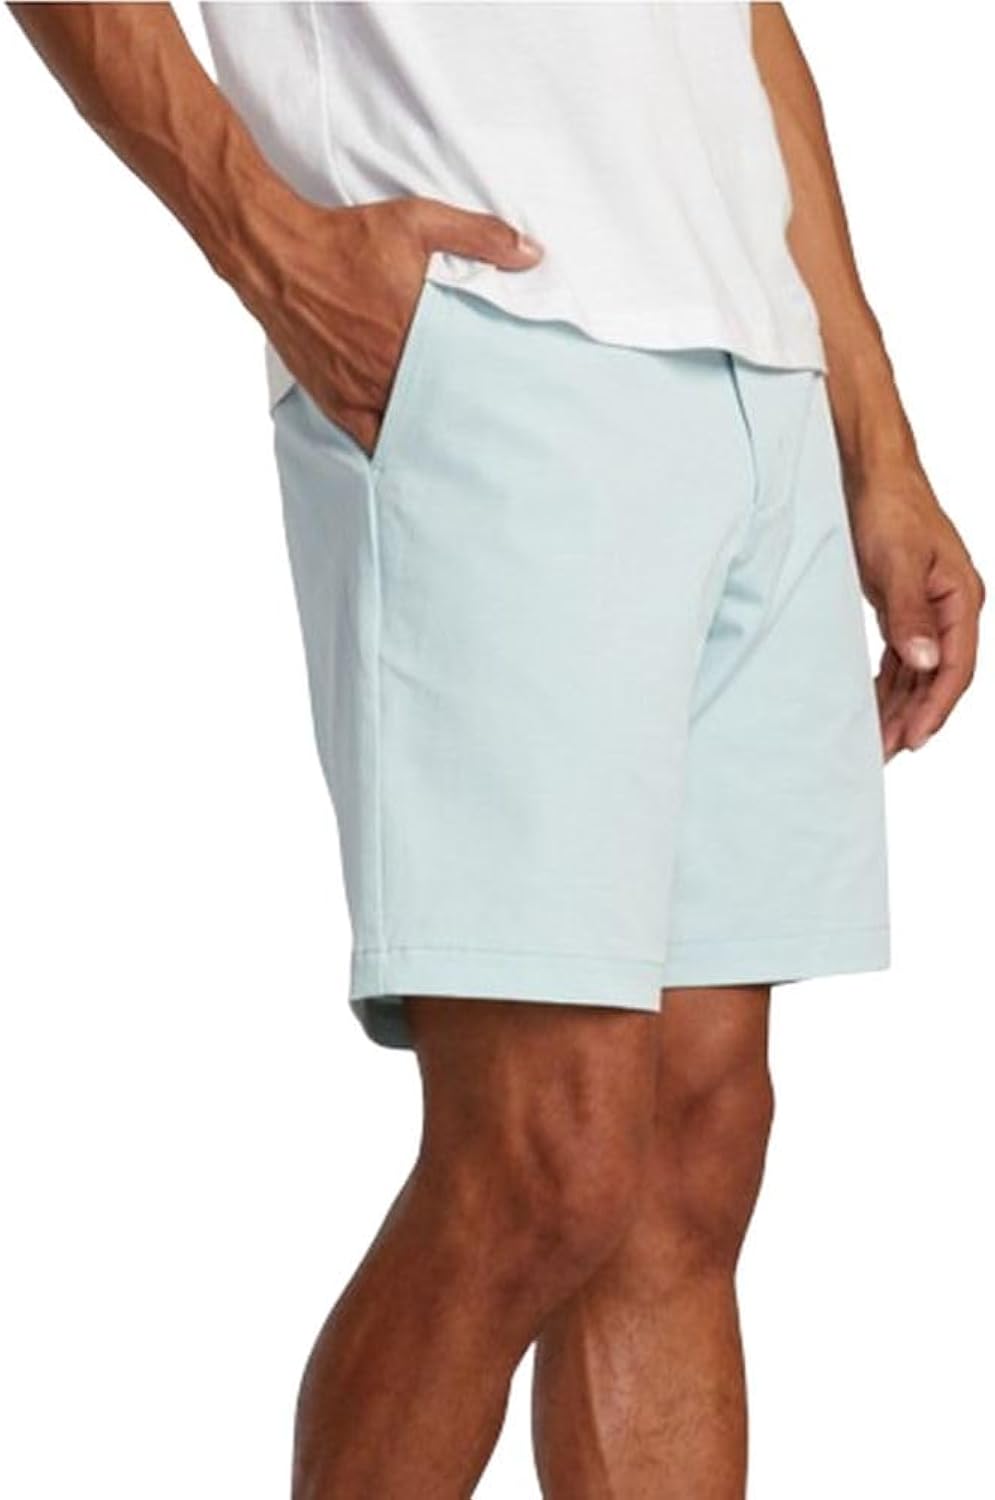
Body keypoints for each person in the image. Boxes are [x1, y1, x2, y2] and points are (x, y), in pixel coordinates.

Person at [9, 3, 984, 1496]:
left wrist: (877, 440)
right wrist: (267, 241)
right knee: (545, 1154)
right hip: (494, 335)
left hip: (755, 365)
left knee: (691, 1149)